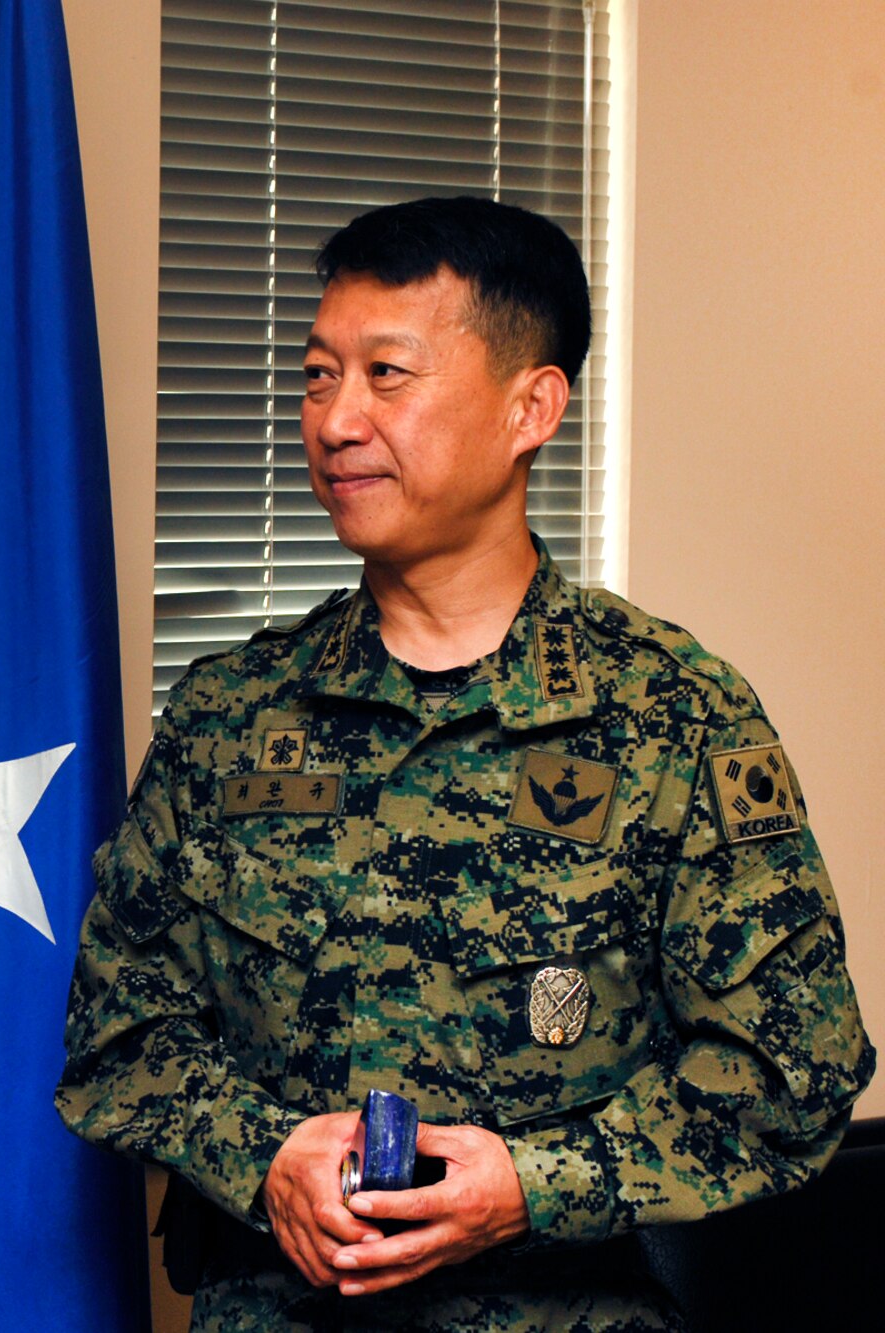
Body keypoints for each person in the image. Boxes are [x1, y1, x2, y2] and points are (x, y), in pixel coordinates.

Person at [56, 196, 873, 1329]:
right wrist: (262, 1155)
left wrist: (532, 1187)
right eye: (314, 376)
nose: (335, 420)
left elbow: (793, 1071)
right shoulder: (229, 715)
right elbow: (118, 1031)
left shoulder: (672, 716)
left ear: (530, 406)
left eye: (386, 375)